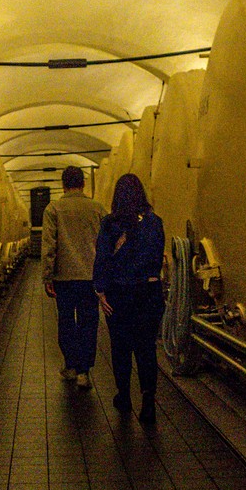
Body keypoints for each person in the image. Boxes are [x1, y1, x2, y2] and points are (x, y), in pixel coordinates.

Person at [93, 173, 166, 422]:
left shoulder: (110, 224)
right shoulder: (155, 223)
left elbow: (102, 258)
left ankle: (124, 396)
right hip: (149, 292)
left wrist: (100, 291)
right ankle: (148, 401)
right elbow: (157, 258)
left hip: (119, 293)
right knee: (146, 348)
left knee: (121, 347)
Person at [41, 166, 108, 389]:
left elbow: (49, 245)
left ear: (63, 185)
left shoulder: (53, 209)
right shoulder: (97, 208)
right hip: (90, 277)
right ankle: (83, 371)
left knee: (66, 321)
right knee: (89, 322)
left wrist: (47, 276)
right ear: (83, 183)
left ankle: (70, 364)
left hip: (64, 277)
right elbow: (106, 244)